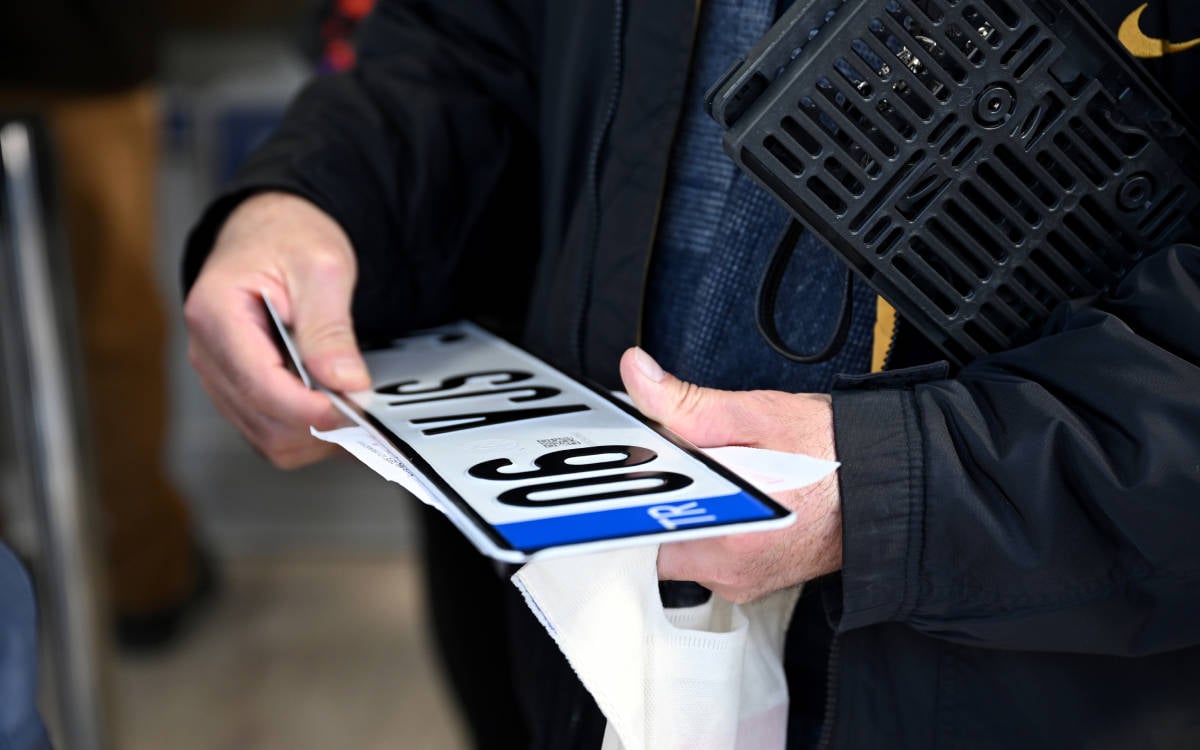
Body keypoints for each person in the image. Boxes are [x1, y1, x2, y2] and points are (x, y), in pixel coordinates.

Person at [181, 1, 1200, 747]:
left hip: (1038, 672)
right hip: (590, 621)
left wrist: (908, 488)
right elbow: (469, 39)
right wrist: (317, 194)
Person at [0, 0, 211, 649]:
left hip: (83, 51)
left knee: (113, 330)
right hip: (84, 53)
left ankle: (144, 575)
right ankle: (145, 579)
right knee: (114, 331)